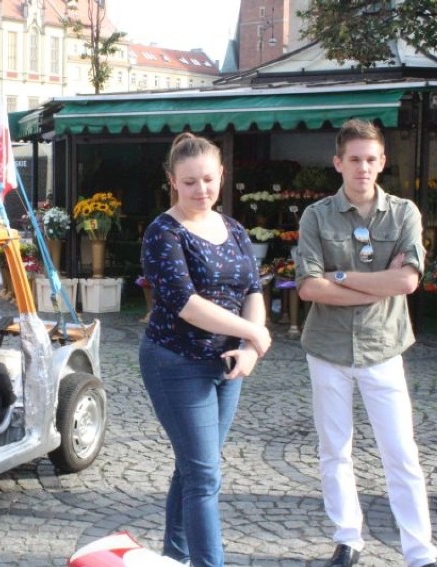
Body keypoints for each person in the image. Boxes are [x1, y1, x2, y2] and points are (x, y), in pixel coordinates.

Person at [295, 119, 437, 567]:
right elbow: (309, 288)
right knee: (334, 449)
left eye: (371, 159)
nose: (362, 168)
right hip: (328, 348)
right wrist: (380, 284)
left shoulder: (404, 213)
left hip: (383, 347)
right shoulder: (316, 215)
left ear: (382, 162)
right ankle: (348, 539)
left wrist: (343, 277)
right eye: (354, 159)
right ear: (338, 163)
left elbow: (408, 281)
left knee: (401, 453)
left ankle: (420, 553)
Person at [138, 132, 270, 567]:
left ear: (221, 176)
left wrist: (251, 346)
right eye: (190, 182)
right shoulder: (163, 232)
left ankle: (175, 554)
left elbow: (252, 288)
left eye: (208, 180)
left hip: (227, 364)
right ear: (172, 181)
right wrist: (253, 333)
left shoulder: (232, 227)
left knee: (194, 465)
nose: (201, 190)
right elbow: (187, 305)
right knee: (204, 474)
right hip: (175, 361)